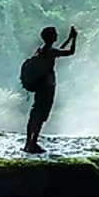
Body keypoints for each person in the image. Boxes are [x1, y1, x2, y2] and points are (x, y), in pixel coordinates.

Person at [22, 25, 77, 153]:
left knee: (35, 113)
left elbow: (59, 50)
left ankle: (28, 143)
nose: (57, 35)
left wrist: (69, 38)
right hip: (47, 87)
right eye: (55, 33)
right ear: (51, 37)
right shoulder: (50, 52)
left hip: (40, 87)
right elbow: (70, 52)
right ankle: (33, 143)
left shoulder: (41, 50)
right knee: (42, 115)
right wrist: (74, 39)